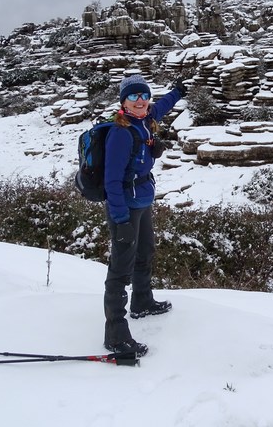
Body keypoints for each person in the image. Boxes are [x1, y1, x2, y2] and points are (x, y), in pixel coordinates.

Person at [103, 73, 187, 357]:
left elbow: (161, 107)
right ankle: (115, 335)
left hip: (143, 200)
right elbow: (111, 181)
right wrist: (120, 219)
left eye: (144, 96)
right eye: (134, 97)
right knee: (120, 268)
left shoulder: (145, 119)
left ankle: (142, 302)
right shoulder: (120, 133)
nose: (141, 102)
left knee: (145, 252)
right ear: (123, 102)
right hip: (125, 207)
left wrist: (178, 91)